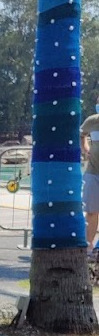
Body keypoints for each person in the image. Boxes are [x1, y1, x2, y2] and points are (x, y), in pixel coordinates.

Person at [79, 95, 99, 254]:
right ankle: (88, 247)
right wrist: (85, 149)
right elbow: (81, 134)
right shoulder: (92, 121)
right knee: (91, 211)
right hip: (93, 172)